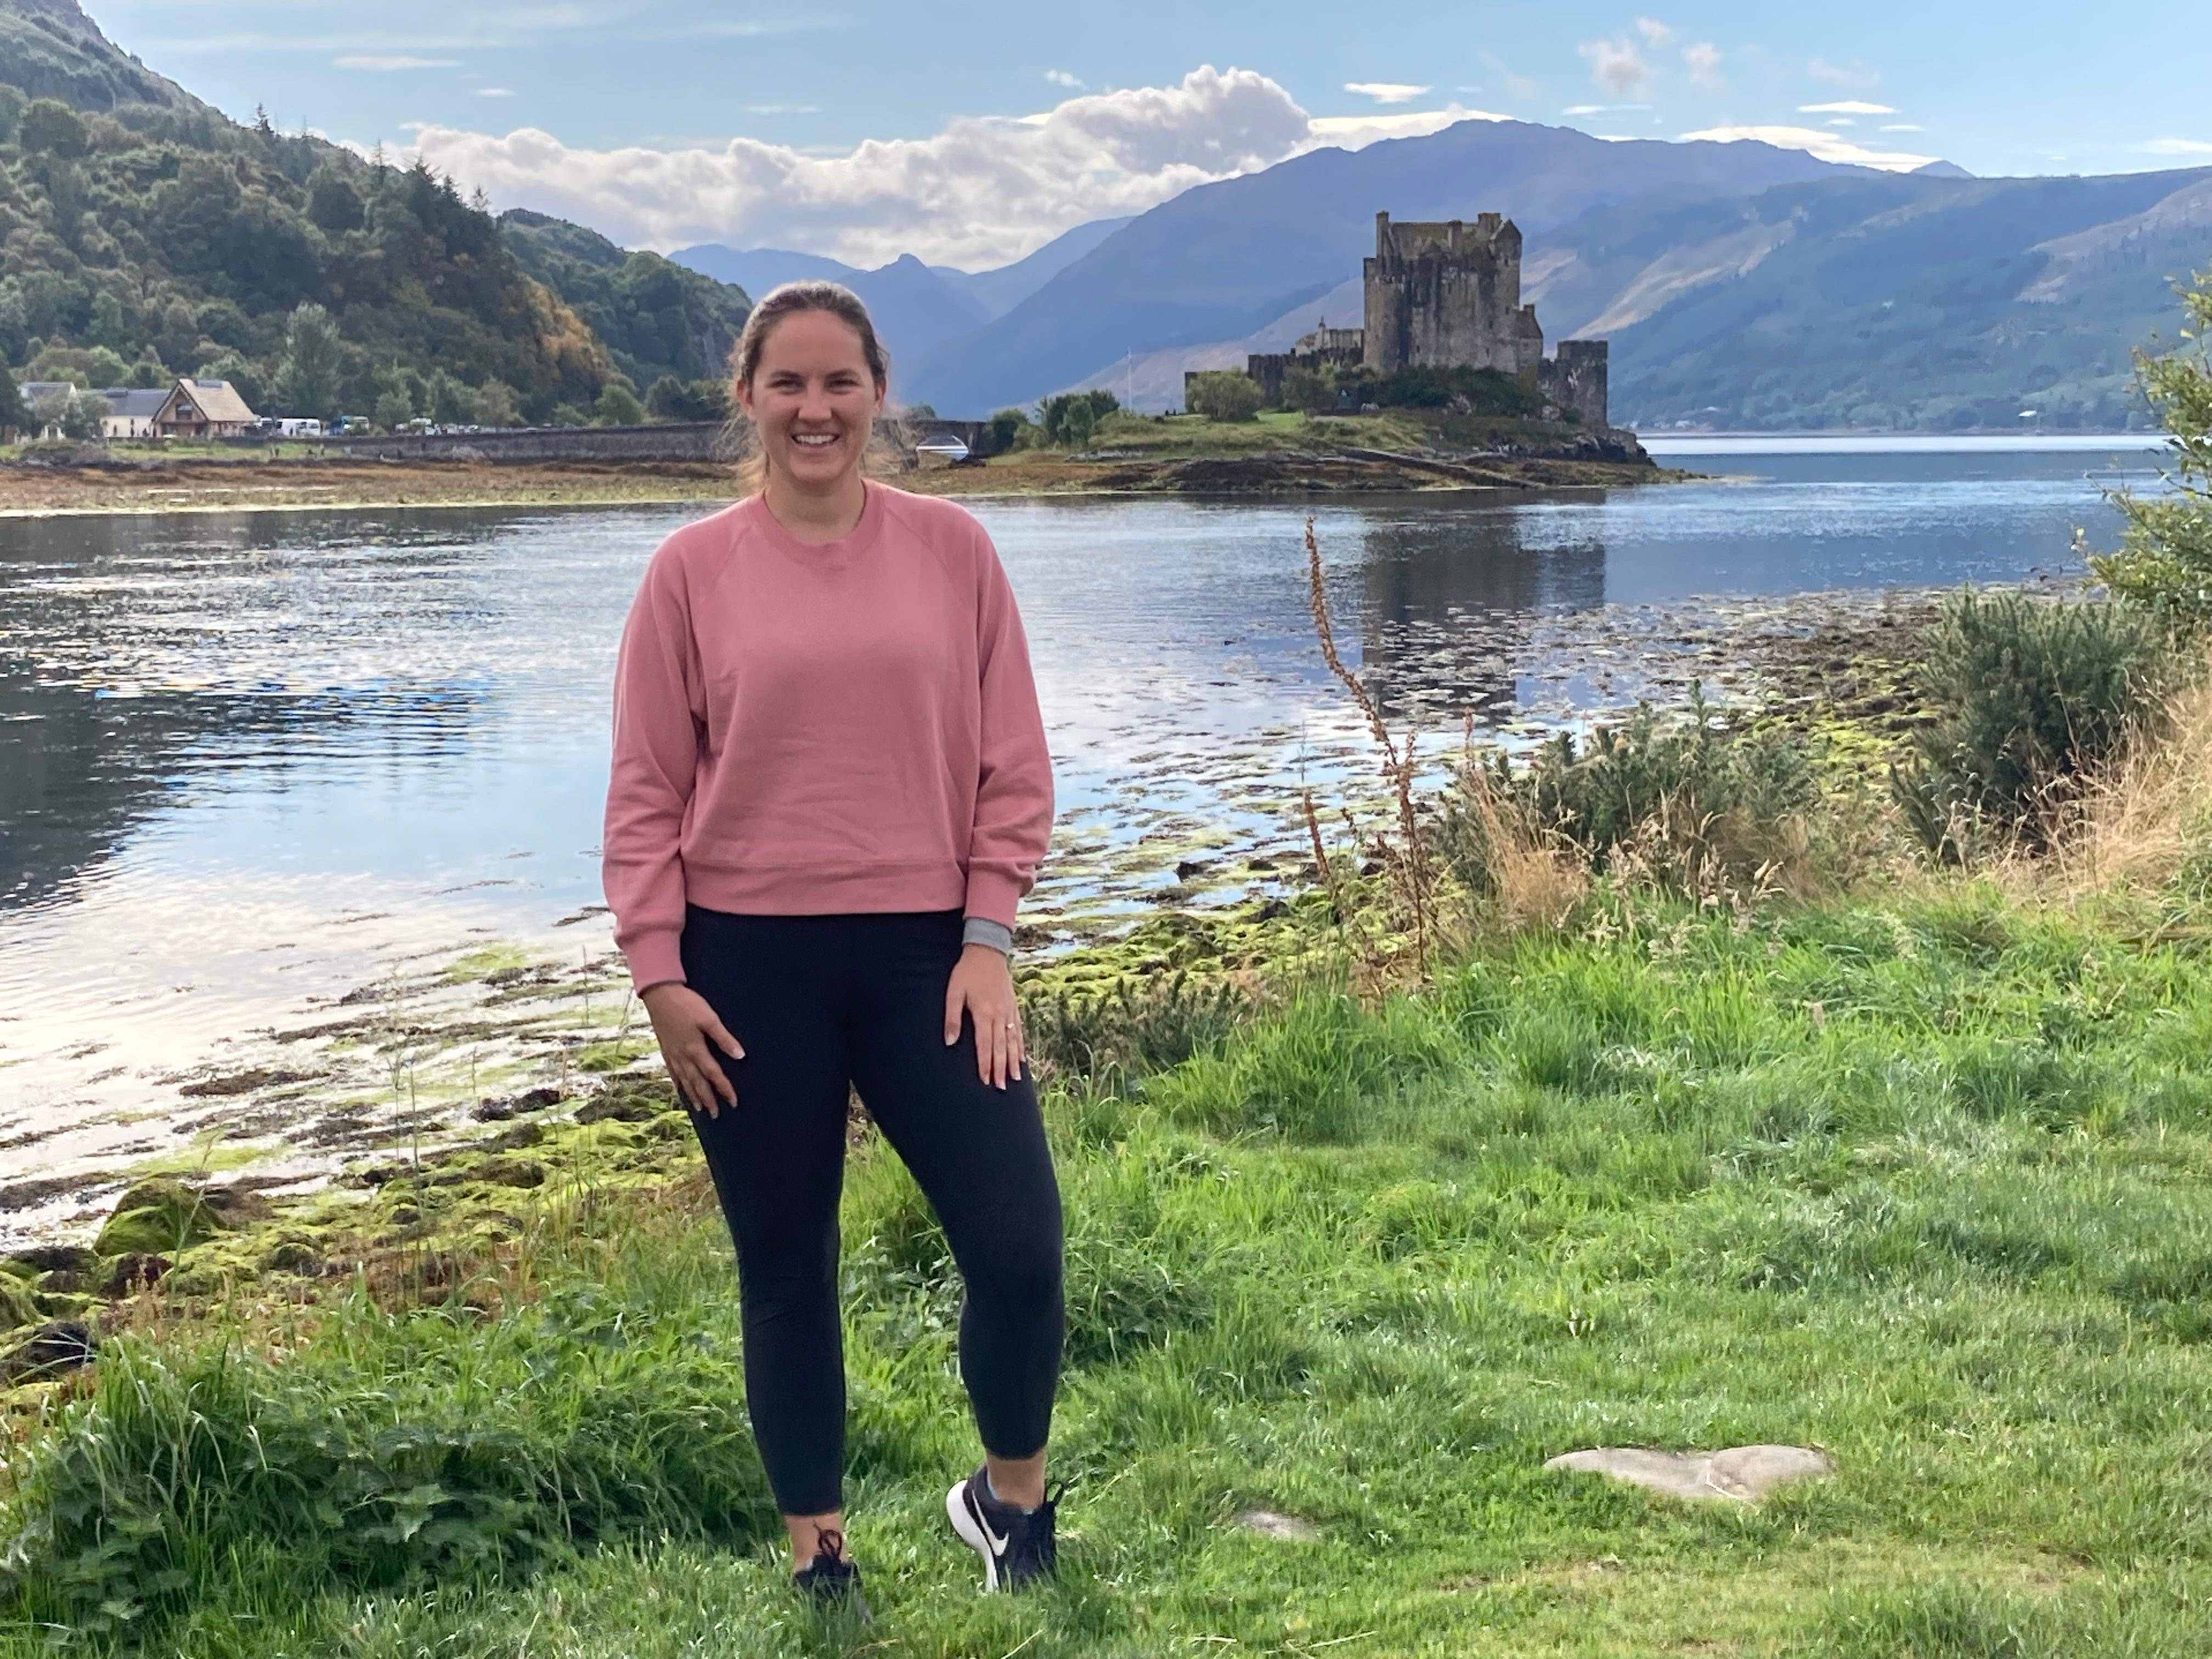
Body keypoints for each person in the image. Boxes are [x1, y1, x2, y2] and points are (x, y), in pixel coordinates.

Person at [601, 282, 1064, 1614]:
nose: (816, 410)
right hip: (747, 972)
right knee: (788, 1265)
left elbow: (1012, 767)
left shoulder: (957, 551)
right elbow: (644, 794)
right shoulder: (688, 573)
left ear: (878, 397)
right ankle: (819, 1552)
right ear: (748, 398)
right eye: (788, 384)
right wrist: (660, 976)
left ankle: (1008, 1505)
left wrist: (989, 934)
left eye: (841, 384)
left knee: (1022, 1249)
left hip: (934, 960)